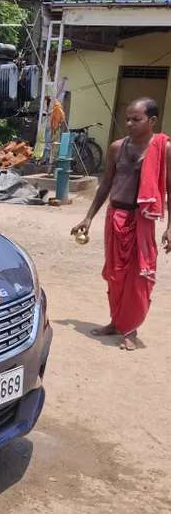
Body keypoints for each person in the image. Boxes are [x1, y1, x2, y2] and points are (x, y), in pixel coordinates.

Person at [72, 98, 171, 350]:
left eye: (135, 119)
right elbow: (105, 184)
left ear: (152, 121)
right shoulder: (117, 147)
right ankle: (116, 323)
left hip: (142, 221)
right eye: (127, 118)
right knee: (116, 276)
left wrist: (170, 227)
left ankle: (131, 329)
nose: (129, 124)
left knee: (139, 277)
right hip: (116, 217)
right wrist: (88, 217)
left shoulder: (163, 148)